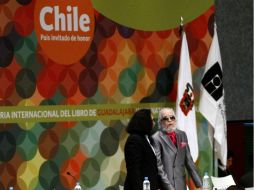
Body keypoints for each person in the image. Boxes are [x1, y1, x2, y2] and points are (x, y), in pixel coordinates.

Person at [152, 108, 202, 190]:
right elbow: (158, 167)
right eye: (165, 118)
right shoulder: (156, 138)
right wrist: (169, 187)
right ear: (160, 122)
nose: (169, 120)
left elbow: (189, 161)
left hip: (181, 185)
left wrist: (199, 184)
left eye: (172, 117)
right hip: (165, 186)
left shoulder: (182, 135)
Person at [124, 109, 162, 190]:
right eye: (151, 120)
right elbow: (134, 172)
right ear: (144, 122)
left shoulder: (147, 138)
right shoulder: (134, 140)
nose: (154, 123)